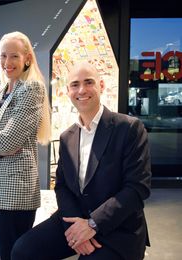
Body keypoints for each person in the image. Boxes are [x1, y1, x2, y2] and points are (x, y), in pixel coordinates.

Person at [11, 61, 151, 260]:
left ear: (101, 86)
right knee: (22, 250)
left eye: (89, 82)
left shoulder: (128, 129)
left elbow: (137, 189)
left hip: (118, 227)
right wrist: (75, 227)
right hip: (75, 217)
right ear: (68, 91)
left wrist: (92, 224)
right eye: (75, 85)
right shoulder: (67, 137)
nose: (82, 90)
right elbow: (62, 187)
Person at [0, 31, 51, 260]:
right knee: (0, 252)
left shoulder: (32, 89)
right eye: (3, 56)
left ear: (27, 58)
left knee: (14, 254)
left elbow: (9, 140)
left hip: (16, 190)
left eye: (14, 56)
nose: (7, 63)